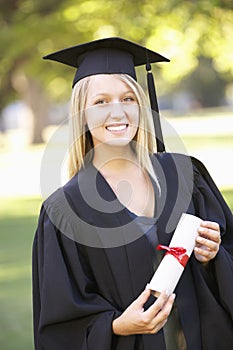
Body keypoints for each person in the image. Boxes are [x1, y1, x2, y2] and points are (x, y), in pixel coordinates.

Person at [32, 37, 233, 350]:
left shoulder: (185, 176)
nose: (118, 112)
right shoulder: (64, 210)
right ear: (81, 114)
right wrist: (115, 326)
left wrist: (212, 258)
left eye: (128, 98)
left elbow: (229, 253)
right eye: (101, 102)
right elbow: (59, 321)